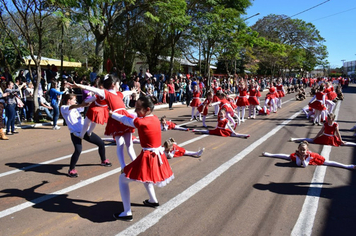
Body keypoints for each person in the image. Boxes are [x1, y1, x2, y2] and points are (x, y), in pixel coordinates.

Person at [109, 96, 174, 221]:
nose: (135, 111)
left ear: (147, 109)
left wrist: (112, 114)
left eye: (138, 108)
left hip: (149, 156)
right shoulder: (154, 118)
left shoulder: (142, 122)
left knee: (123, 179)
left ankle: (127, 212)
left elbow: (126, 119)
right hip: (156, 156)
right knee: (145, 176)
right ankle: (153, 200)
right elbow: (132, 116)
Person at [70, 75, 136, 168]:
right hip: (116, 119)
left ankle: (136, 163)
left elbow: (125, 93)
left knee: (129, 144)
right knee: (120, 144)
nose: (119, 85)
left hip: (124, 117)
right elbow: (93, 90)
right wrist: (79, 86)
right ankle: (123, 166)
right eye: (118, 84)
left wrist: (132, 91)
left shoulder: (118, 94)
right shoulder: (105, 93)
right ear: (113, 84)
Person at [60, 93, 112, 177]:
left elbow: (84, 105)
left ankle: (103, 160)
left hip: (85, 131)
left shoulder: (76, 108)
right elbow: (72, 107)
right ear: (69, 101)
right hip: (75, 133)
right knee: (78, 150)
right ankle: (71, 170)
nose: (75, 101)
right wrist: (80, 105)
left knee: (101, 143)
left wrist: (94, 99)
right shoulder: (64, 108)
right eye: (74, 100)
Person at [262, 141, 355, 170]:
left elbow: (304, 166)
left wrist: (304, 159)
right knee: (286, 156)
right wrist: (300, 158)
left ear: (307, 150)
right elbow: (298, 165)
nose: (302, 151)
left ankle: (347, 166)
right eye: (301, 149)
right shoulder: (297, 154)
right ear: (298, 149)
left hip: (311, 158)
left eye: (304, 150)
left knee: (327, 162)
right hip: (303, 159)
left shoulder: (309, 154)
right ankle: (269, 154)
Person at [290, 113, 356, 147]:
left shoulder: (335, 124)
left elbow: (338, 133)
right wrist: (316, 137)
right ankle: (295, 139)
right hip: (325, 136)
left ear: (332, 119)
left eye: (329, 118)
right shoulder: (325, 124)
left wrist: (341, 140)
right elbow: (321, 131)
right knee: (311, 140)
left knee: (343, 143)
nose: (328, 119)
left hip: (332, 137)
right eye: (328, 118)